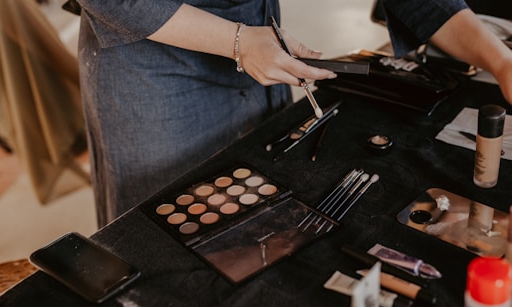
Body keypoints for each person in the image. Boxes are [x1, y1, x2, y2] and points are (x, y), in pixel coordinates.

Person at [75, 0, 512, 227]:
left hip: (258, 45)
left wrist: (502, 61)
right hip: (156, 66)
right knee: (165, 235)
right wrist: (239, 42)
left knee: (253, 226)